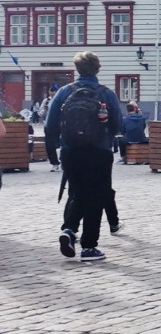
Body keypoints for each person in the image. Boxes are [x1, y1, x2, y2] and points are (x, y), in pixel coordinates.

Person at [44, 51, 123, 263]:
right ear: (97, 68)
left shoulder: (63, 92)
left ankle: (69, 231)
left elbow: (49, 126)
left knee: (76, 192)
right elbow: (118, 125)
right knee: (96, 196)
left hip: (71, 150)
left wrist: (57, 148)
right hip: (99, 150)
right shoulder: (106, 93)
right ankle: (89, 247)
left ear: (77, 69)